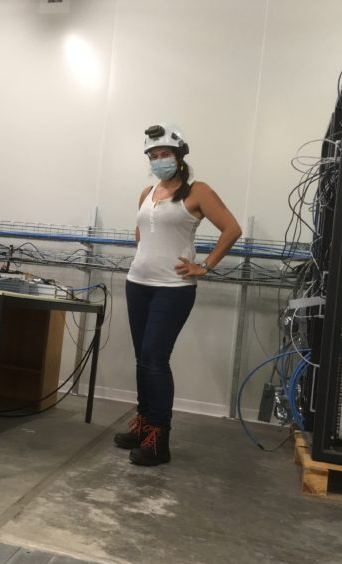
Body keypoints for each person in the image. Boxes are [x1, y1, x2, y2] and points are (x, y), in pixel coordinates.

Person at [114, 123, 241, 466]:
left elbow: (232, 229)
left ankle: (159, 439)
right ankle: (143, 425)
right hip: (138, 283)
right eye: (153, 156)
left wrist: (206, 265)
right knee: (143, 359)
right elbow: (142, 233)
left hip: (173, 290)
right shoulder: (147, 193)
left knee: (155, 359)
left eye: (164, 154)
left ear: (180, 156)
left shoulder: (197, 191)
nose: (158, 161)